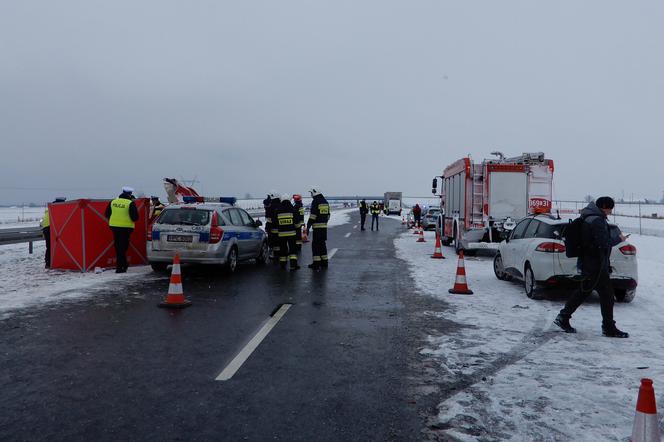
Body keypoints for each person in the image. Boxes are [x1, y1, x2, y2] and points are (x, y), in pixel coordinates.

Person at [554, 196, 629, 338]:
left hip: (589, 262)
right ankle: (608, 327)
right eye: (610, 208)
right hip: (596, 264)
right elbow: (603, 243)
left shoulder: (588, 217)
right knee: (607, 295)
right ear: (604, 206)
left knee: (584, 291)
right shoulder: (597, 220)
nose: (610, 212)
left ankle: (563, 317)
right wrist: (619, 239)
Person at [105, 186, 139, 273]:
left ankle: (123, 264)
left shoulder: (113, 202)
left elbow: (107, 214)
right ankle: (120, 267)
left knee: (118, 246)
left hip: (114, 227)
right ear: (130, 194)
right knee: (122, 248)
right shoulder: (130, 203)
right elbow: (135, 217)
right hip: (126, 228)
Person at [306, 186, 330, 269]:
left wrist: (308, 226)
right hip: (324, 228)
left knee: (315, 245)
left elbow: (313, 216)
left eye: (311, 193)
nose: (311, 195)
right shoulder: (325, 202)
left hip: (317, 228)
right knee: (322, 245)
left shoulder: (315, 201)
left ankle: (316, 263)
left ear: (315, 192)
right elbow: (328, 215)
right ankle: (324, 262)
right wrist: (324, 222)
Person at [276, 194, 300, 271]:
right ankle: (293, 265)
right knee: (293, 250)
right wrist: (297, 228)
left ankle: (282, 265)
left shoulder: (278, 210)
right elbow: (297, 223)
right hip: (291, 234)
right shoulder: (292, 209)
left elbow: (275, 223)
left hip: (281, 234)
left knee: (283, 249)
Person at [41, 197, 66, 268]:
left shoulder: (51, 208)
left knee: (49, 246)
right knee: (55, 246)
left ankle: (48, 263)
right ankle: (52, 262)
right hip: (51, 228)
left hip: (46, 228)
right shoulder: (58, 208)